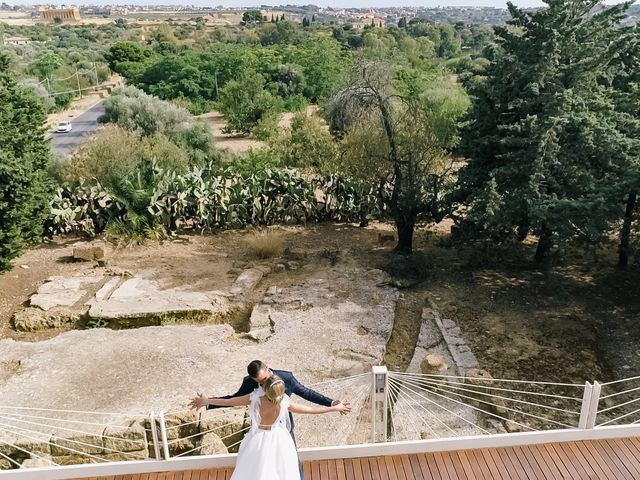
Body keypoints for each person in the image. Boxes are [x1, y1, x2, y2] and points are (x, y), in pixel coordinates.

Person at [191, 374, 349, 480]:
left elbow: (229, 402)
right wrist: (334, 408)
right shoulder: (285, 403)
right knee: (282, 471)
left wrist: (206, 400)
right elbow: (312, 410)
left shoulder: (253, 399)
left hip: (257, 439)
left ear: (265, 389)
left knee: (255, 471)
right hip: (279, 439)